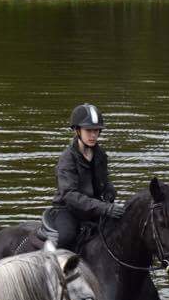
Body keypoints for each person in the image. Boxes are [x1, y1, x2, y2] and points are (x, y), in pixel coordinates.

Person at [43, 103, 125, 250]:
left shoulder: (100, 155)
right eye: (89, 130)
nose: (93, 135)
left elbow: (104, 182)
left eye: (96, 131)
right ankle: (56, 262)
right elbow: (69, 195)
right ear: (77, 130)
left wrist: (109, 192)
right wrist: (104, 208)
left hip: (94, 209)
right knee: (67, 236)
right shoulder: (67, 158)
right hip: (68, 210)